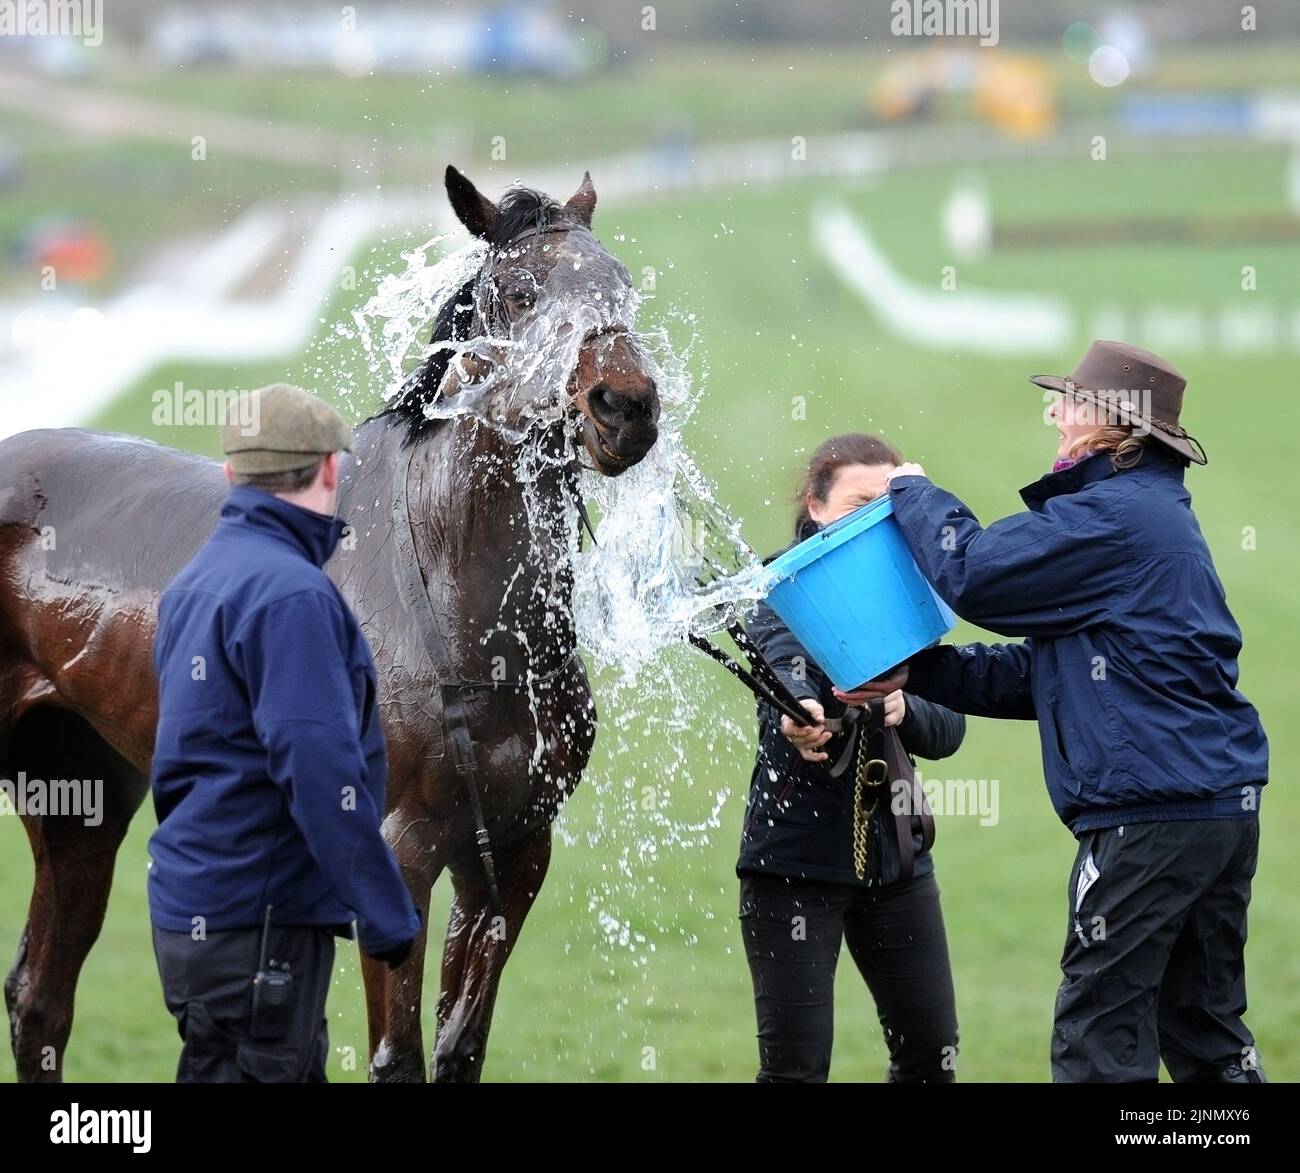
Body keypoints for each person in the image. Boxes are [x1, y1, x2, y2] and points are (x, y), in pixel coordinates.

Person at [836, 342, 1268, 1083]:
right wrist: (923, 670)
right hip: (1213, 808)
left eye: (1069, 401)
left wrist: (913, 490)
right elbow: (1050, 674)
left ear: (1109, 426)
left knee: (1097, 1041)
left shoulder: (1114, 516)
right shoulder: (1150, 513)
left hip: (1150, 818)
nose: (1054, 412)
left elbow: (970, 570)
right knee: (1206, 1037)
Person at [149, 383, 421, 1083]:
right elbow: (318, 767)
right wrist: (385, 909)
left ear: (233, 475)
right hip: (257, 927)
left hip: (202, 912)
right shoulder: (291, 594)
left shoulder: (196, 580)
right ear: (330, 471)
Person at [738, 433, 967, 1083]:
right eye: (859, 501)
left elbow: (949, 728)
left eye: (888, 501)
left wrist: (905, 709)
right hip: (794, 868)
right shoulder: (779, 585)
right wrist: (803, 715)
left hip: (897, 862)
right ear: (815, 505)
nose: (877, 515)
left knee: (931, 1057)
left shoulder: (906, 587)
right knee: (796, 1073)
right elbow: (787, 679)